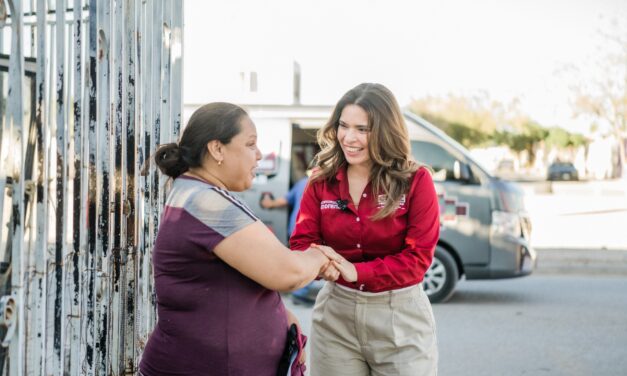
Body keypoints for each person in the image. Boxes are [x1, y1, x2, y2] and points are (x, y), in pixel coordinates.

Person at [138, 102, 337, 376]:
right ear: (217, 148)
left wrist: (279, 315)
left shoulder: (198, 191)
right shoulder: (206, 202)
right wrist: (320, 255)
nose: (258, 155)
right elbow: (288, 273)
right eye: (250, 144)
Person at [290, 83, 441, 375]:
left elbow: (418, 259)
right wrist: (321, 263)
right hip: (336, 316)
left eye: (363, 129)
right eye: (343, 126)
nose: (349, 137)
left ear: (385, 131)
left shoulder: (416, 180)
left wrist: (357, 271)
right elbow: (302, 242)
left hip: (400, 316)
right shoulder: (321, 180)